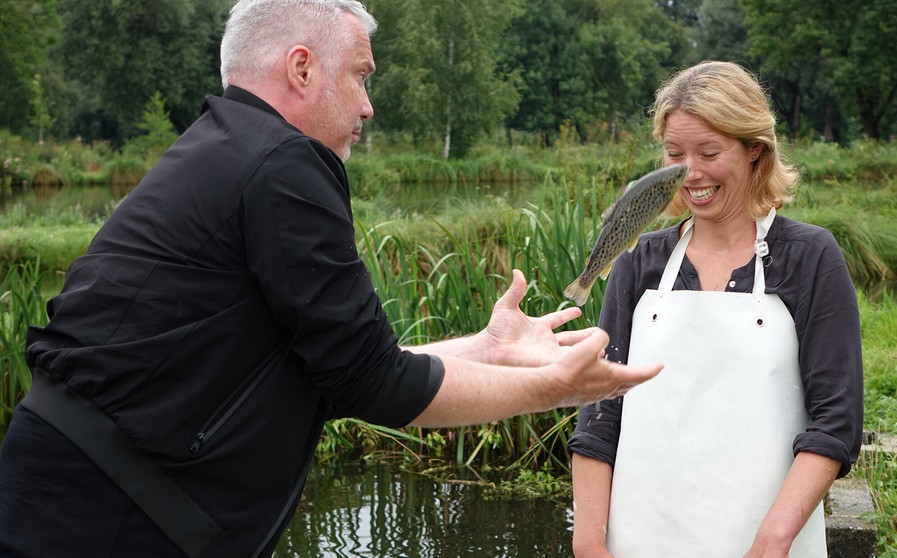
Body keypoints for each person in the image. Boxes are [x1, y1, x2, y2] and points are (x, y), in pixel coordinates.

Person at [0, 1, 662, 556]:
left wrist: (488, 350)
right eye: (361, 76)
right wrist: (549, 388)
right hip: (101, 521)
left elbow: (336, 374)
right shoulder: (282, 163)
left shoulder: (225, 149)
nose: (369, 106)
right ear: (301, 68)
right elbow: (374, 384)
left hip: (69, 500)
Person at [568, 61, 864, 558]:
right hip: (639, 538)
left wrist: (773, 540)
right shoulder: (637, 260)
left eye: (709, 152)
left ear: (755, 151)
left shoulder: (810, 257)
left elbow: (836, 421)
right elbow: (600, 415)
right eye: (675, 154)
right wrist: (588, 541)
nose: (692, 173)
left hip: (769, 542)